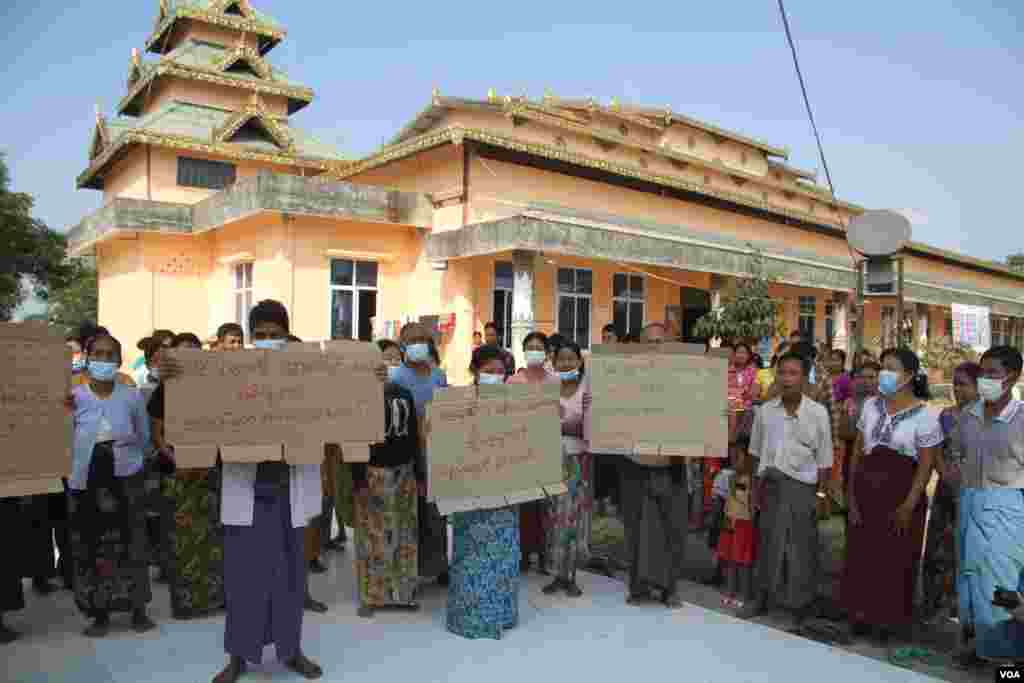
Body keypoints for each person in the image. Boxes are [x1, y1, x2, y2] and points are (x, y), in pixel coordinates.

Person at [160, 300, 324, 682]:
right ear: (251, 339)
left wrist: (375, 376)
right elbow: (193, 402)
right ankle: (238, 656)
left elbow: (347, 399)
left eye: (276, 335)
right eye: (261, 336)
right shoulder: (229, 376)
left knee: (290, 577)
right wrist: (173, 374)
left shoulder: (306, 374)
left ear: (287, 336)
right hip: (246, 490)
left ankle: (291, 650)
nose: (268, 341)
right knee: (243, 579)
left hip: (290, 489)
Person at [844, 347, 941, 643]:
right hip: (866, 492)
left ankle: (888, 622)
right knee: (862, 555)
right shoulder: (871, 406)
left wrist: (909, 504)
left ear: (909, 376)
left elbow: (926, 466)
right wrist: (851, 495)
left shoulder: (927, 415)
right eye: (882, 367)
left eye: (891, 368)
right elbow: (858, 451)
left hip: (901, 495)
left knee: (895, 559)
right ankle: (860, 616)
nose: (883, 373)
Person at [68, 333, 156, 637]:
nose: (104, 361)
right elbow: (64, 439)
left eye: (110, 355)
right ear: (87, 359)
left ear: (119, 361)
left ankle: (138, 609)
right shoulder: (74, 398)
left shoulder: (130, 396)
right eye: (98, 354)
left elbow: (144, 437)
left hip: (126, 475)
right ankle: (99, 613)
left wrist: (137, 463)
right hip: (86, 479)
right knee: (92, 545)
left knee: (133, 541)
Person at [739, 352, 832, 625]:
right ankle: (761, 598)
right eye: (782, 373)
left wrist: (821, 494)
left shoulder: (817, 413)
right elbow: (755, 452)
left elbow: (825, 458)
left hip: (803, 488)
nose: (787, 379)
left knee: (801, 547)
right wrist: (754, 490)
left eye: (794, 373)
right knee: (767, 543)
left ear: (804, 378)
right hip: (770, 485)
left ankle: (799, 606)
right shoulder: (766, 411)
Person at [148, 330, 229, 620]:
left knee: (213, 538)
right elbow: (156, 434)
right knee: (181, 541)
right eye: (183, 352)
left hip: (211, 471)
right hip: (177, 474)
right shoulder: (164, 390)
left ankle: (216, 597)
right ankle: (187, 603)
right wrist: (175, 457)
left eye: (195, 351)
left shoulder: (217, 390)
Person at [952, 345, 1024, 667]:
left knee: (1001, 581)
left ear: (1013, 377)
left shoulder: (1020, 418)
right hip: (970, 502)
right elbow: (955, 452)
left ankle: (1007, 660)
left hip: (1008, 508)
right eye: (983, 373)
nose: (986, 380)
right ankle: (977, 645)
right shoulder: (970, 414)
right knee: (970, 578)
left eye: (993, 373)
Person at [447, 346, 521, 638]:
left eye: (500, 372)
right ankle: (470, 616)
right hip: (469, 491)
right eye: (488, 371)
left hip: (505, 489)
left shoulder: (518, 403)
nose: (494, 376)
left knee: (503, 551)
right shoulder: (456, 403)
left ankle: (500, 613)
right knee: (471, 552)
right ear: (475, 371)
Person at [352, 339, 421, 617]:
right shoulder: (359, 395)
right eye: (385, 358)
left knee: (405, 534)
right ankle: (372, 596)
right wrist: (357, 478)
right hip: (373, 472)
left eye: (395, 358)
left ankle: (404, 594)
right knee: (373, 536)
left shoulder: (405, 393)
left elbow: (413, 435)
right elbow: (354, 439)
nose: (390, 363)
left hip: (404, 472)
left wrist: (418, 472)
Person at [619, 332, 688, 609]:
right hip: (635, 463)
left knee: (673, 528)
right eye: (649, 341)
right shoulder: (624, 380)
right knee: (636, 528)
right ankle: (638, 586)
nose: (655, 346)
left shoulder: (687, 381)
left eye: (661, 341)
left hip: (672, 464)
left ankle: (670, 588)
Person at [920, 361, 980, 623]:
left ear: (978, 388)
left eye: (964, 384)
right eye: (955, 383)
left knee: (966, 549)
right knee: (938, 547)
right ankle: (932, 603)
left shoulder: (984, 418)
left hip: (974, 492)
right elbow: (935, 451)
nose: (958, 389)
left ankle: (962, 605)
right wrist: (944, 473)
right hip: (946, 490)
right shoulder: (946, 415)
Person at [390, 322, 450, 584]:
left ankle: (438, 566)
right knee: (410, 512)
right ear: (402, 345)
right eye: (411, 339)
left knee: (437, 512)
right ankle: (410, 569)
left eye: (422, 339)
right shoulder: (395, 378)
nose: (417, 343)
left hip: (437, 453)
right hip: (408, 454)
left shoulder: (439, 376)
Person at [544, 340, 593, 596]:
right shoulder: (547, 390)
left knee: (573, 520)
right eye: (561, 359)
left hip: (577, 462)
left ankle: (571, 576)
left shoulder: (587, 392)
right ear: (554, 363)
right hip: (551, 461)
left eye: (570, 359)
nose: (566, 363)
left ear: (579, 361)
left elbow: (593, 429)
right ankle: (555, 574)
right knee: (553, 518)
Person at [507, 332, 558, 573]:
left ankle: (546, 555)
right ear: (524, 351)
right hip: (520, 450)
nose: (534, 351)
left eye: (539, 347)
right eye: (530, 347)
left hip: (547, 450)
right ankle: (524, 555)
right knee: (524, 506)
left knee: (546, 507)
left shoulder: (554, 381)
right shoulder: (513, 382)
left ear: (547, 352)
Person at [719, 436, 757, 610]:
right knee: (730, 559)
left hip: (745, 522)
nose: (734, 460)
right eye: (732, 456)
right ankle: (729, 591)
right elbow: (728, 500)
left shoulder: (753, 480)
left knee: (743, 561)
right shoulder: (730, 477)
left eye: (738, 456)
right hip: (730, 519)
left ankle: (744, 594)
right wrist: (726, 518)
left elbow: (752, 503)